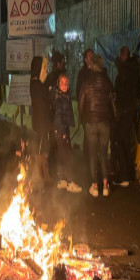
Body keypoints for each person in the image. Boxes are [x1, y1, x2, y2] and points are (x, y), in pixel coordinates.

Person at [78, 54, 115, 197]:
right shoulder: (107, 81)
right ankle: (105, 185)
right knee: (103, 154)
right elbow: (112, 100)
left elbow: (81, 103)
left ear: (91, 65)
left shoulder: (86, 82)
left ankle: (94, 186)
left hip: (91, 123)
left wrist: (84, 119)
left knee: (93, 154)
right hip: (105, 122)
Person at [112, 46, 140, 186]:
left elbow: (121, 90)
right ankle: (129, 174)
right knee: (125, 142)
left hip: (125, 111)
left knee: (119, 141)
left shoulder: (126, 71)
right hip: (130, 111)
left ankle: (124, 176)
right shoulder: (133, 70)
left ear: (123, 56)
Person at [51, 73, 82, 193]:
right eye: (62, 83)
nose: (65, 85)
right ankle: (70, 182)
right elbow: (58, 117)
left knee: (61, 155)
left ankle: (61, 180)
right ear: (58, 84)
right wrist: (63, 132)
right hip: (61, 130)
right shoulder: (60, 98)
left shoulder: (63, 96)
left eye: (66, 83)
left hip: (60, 130)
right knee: (67, 156)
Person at [29, 56, 51, 190]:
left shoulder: (37, 83)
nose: (46, 70)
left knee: (44, 148)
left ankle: (45, 174)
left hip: (42, 121)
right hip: (41, 121)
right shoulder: (36, 84)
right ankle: (39, 175)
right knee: (40, 149)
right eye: (44, 67)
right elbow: (42, 103)